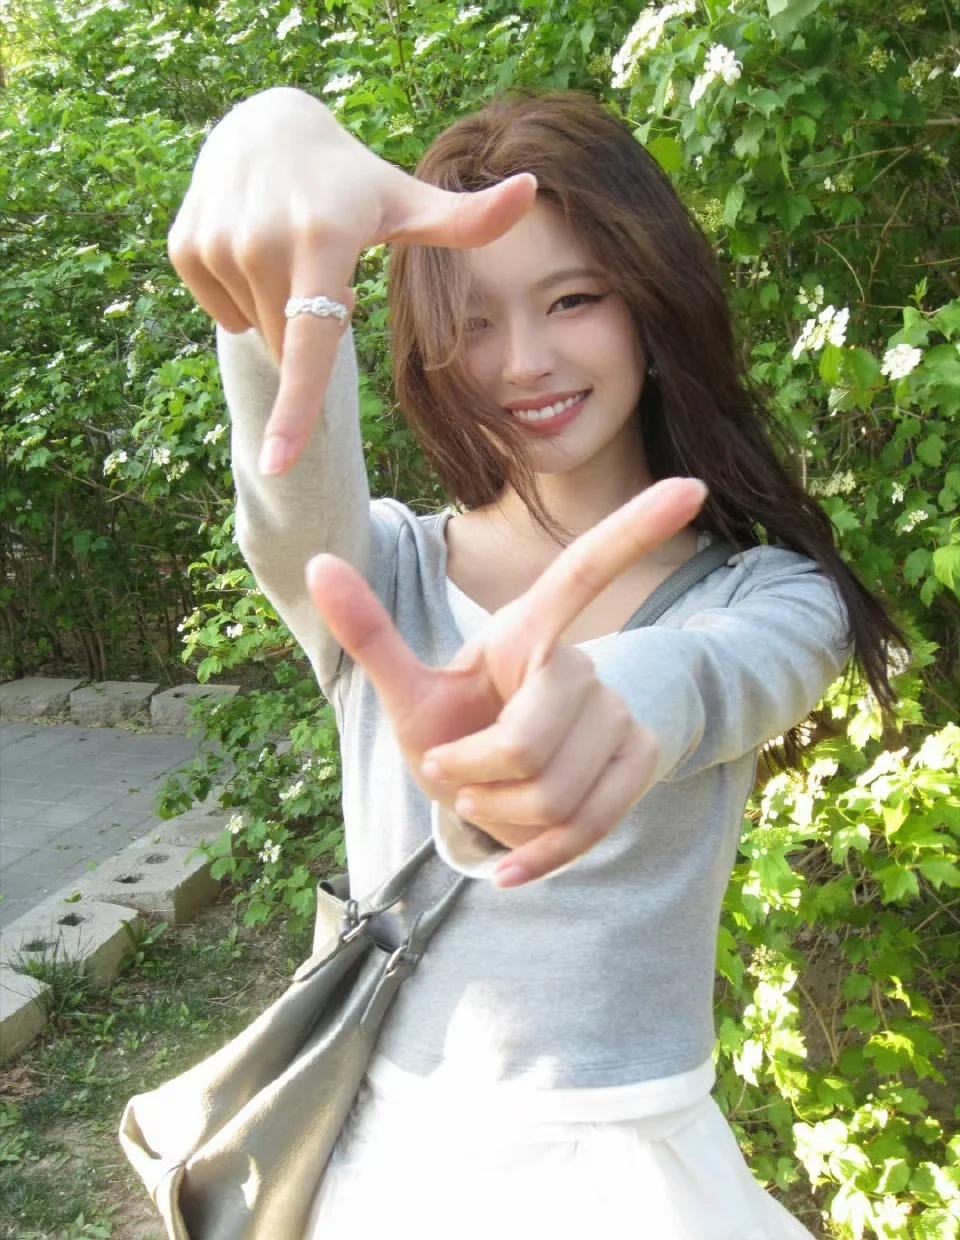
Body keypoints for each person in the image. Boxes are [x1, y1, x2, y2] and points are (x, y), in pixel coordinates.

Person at [169, 86, 905, 1239]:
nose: (523, 361)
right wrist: (263, 131)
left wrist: (604, 701)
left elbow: (708, 678)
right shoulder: (379, 576)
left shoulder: (770, 596)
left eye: (572, 299)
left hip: (645, 1176)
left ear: (652, 302)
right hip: (391, 1172)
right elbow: (288, 486)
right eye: (472, 322)